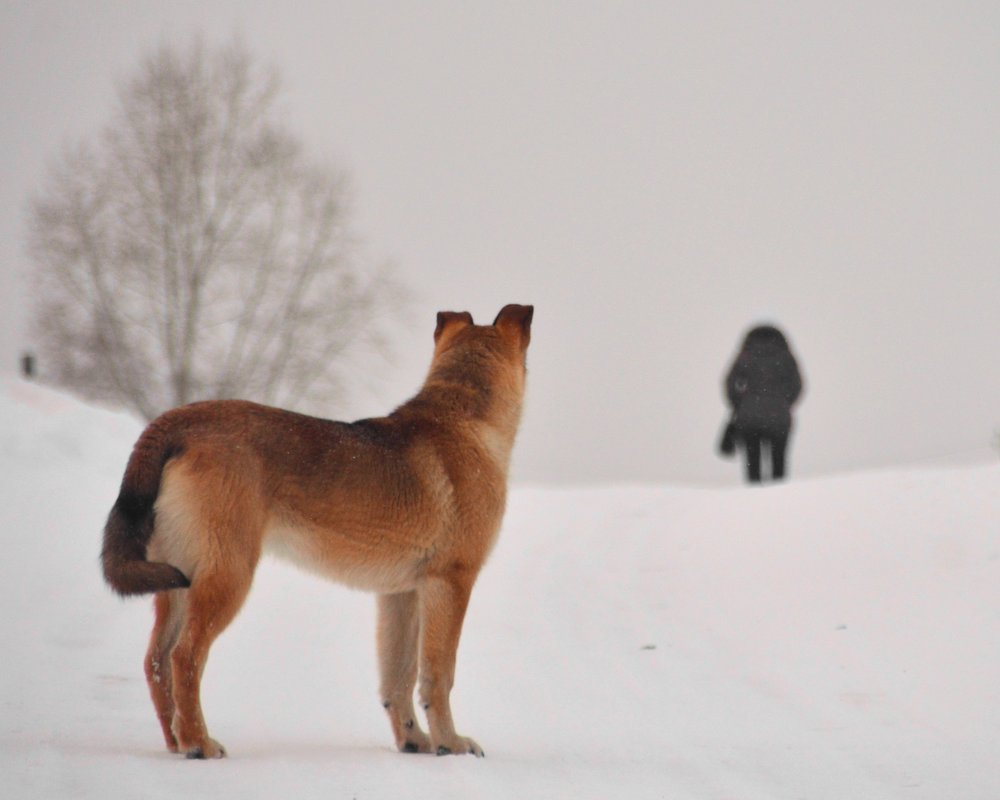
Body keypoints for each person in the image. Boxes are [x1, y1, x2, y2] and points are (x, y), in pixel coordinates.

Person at [719, 325, 803, 483]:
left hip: (749, 418)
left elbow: (730, 382)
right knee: (778, 465)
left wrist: (739, 403)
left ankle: (753, 501)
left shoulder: (746, 355)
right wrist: (784, 402)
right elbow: (797, 385)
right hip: (779, 418)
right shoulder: (785, 356)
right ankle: (779, 501)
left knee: (753, 467)